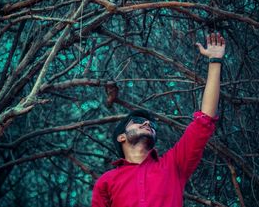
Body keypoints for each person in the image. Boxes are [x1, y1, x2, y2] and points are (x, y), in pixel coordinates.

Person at [92, 32, 226, 207]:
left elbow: (205, 119)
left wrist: (215, 61)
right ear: (121, 137)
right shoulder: (106, 182)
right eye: (138, 120)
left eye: (152, 124)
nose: (147, 123)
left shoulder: (174, 165)